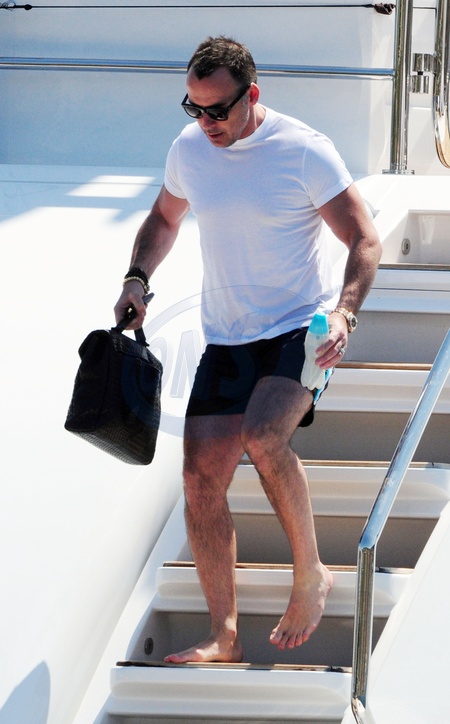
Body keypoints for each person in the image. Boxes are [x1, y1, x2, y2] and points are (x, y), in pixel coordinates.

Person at [114, 36, 382, 664]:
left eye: (218, 110)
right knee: (199, 478)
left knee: (264, 436)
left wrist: (344, 313)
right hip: (227, 336)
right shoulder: (189, 150)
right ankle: (225, 636)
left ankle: (311, 573)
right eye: (194, 108)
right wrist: (137, 278)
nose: (206, 122)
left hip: (298, 329)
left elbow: (365, 240)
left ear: (251, 94)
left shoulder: (304, 151)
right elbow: (164, 219)